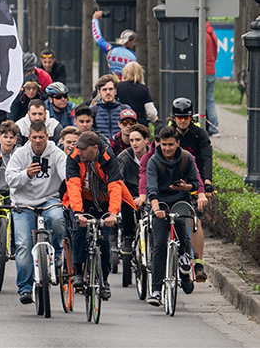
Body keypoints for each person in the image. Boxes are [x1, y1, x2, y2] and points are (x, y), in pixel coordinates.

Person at [5, 122, 68, 304]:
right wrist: (26, 174)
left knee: (57, 218)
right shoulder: (20, 154)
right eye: (34, 137)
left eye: (41, 137)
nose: (38, 141)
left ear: (47, 136)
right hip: (24, 203)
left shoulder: (56, 153)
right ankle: (24, 288)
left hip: (49, 199)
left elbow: (66, 175)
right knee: (24, 243)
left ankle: (56, 253)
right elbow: (10, 179)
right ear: (29, 137)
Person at [64, 130, 132, 299]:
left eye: (82, 149)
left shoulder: (109, 158)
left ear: (94, 148)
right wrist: (78, 213)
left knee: (104, 241)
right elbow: (73, 187)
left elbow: (115, 187)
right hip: (82, 200)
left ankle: (104, 281)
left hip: (104, 201)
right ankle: (78, 271)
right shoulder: (73, 158)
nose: (78, 152)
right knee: (78, 231)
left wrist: (113, 213)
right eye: (77, 148)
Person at [146, 125, 207, 304]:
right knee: (159, 245)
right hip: (160, 203)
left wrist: (186, 187)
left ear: (178, 143)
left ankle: (184, 258)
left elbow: (195, 183)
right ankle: (156, 290)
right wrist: (156, 208)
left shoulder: (187, 158)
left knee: (181, 222)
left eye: (171, 145)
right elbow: (152, 187)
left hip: (180, 200)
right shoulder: (153, 161)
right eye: (164, 144)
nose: (167, 148)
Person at [167, 97, 213, 281]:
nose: (183, 121)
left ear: (191, 118)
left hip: (194, 182)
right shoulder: (168, 133)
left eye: (186, 117)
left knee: (195, 221)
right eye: (179, 117)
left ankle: (198, 263)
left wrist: (207, 182)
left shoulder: (199, 134)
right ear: (174, 117)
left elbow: (207, 157)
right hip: (170, 183)